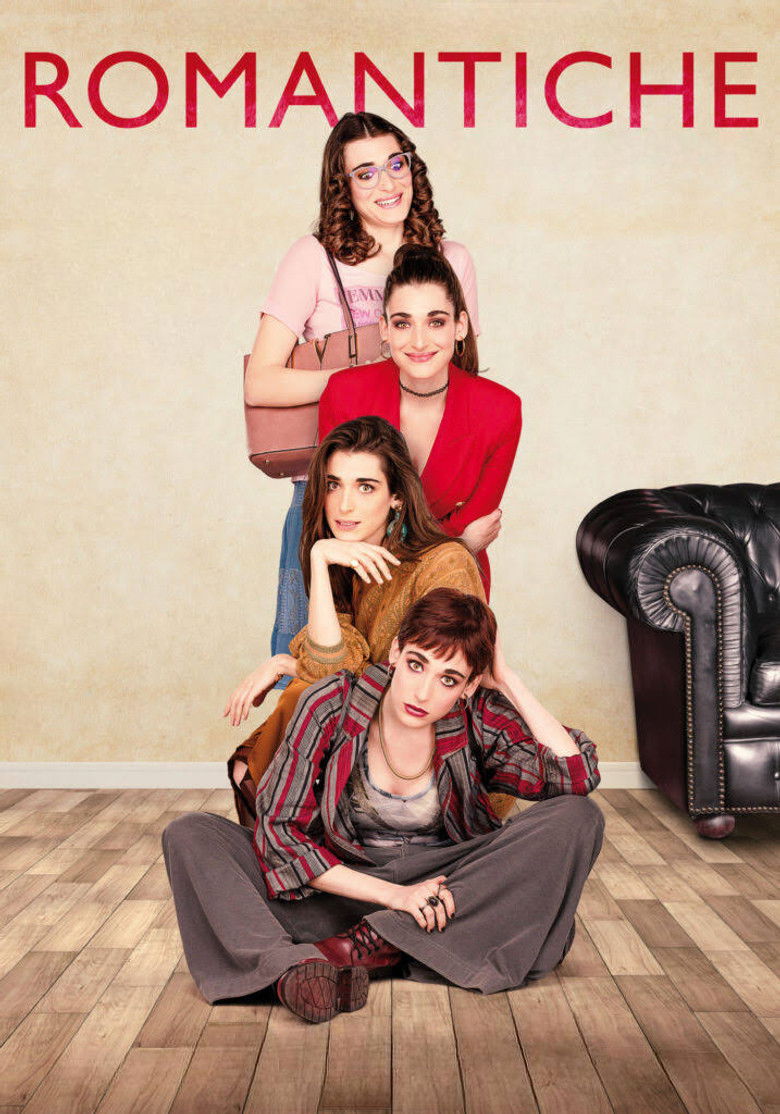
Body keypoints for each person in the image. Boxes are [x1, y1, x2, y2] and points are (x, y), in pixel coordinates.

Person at [164, 588, 603, 1021]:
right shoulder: (332, 703)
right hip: (345, 885)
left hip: (446, 887)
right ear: (395, 651)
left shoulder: (478, 715)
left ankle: (359, 948)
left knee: (578, 817)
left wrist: (507, 679)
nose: (423, 692)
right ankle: (310, 965)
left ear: (470, 685)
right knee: (191, 833)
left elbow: (575, 776)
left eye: (449, 679)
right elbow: (280, 832)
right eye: (416, 664)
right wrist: (396, 897)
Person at [244, 111, 480, 664]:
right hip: (337, 493)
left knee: (420, 652)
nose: (387, 182)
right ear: (342, 187)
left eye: (396, 164)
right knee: (309, 646)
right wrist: (362, 378)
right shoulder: (313, 259)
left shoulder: (452, 260)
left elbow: (464, 375)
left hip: (425, 485)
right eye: (365, 173)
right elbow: (261, 382)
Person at [226, 416, 485, 826]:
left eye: (365, 487)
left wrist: (288, 664)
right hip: (361, 731)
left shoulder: (443, 563)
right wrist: (319, 559)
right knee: (249, 766)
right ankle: (290, 844)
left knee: (298, 701)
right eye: (334, 485)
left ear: (396, 497)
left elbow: (437, 685)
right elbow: (330, 669)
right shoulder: (344, 565)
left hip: (432, 748)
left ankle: (296, 841)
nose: (344, 505)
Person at [319, 244, 522, 598]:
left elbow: (479, 520)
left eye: (436, 322)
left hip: (451, 591)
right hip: (358, 585)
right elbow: (339, 515)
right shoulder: (344, 393)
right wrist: (461, 543)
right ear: (384, 329)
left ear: (460, 326)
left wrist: (459, 544)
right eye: (403, 323)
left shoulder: (501, 409)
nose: (418, 341)